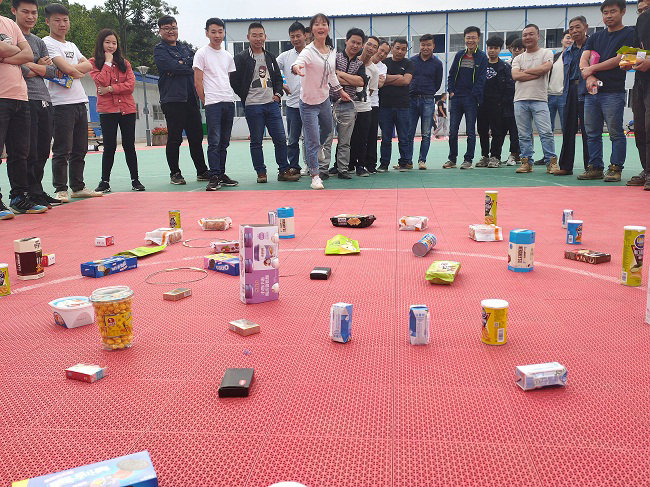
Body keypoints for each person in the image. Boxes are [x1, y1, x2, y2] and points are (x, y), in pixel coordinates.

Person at [43, 3, 102, 201]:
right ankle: (60, 189)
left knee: (80, 148)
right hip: (60, 104)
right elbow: (67, 69)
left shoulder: (72, 45)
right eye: (57, 20)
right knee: (62, 149)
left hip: (80, 102)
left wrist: (73, 69)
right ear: (47, 22)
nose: (62, 24)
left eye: (65, 20)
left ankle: (78, 186)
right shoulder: (47, 43)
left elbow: (88, 65)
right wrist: (75, 69)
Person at [231, 22, 299, 184]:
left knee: (280, 139)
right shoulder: (241, 58)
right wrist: (245, 96)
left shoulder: (270, 56)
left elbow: (277, 78)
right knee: (256, 141)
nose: (258, 38)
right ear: (248, 37)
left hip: (271, 104)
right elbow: (234, 80)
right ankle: (261, 172)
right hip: (252, 105)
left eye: (260, 35)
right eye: (254, 35)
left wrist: (278, 94)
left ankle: (283, 170)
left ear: (265, 37)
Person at [291, 13, 352, 189]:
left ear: (328, 28)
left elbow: (331, 74)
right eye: (317, 24)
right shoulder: (308, 51)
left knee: (327, 130)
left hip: (324, 100)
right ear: (312, 29)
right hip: (307, 103)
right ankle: (315, 176)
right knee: (312, 139)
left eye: (324, 24)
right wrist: (296, 68)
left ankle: (319, 149)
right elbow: (298, 63)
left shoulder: (331, 51)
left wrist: (340, 91)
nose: (321, 27)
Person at [578, 0, 633, 182]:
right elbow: (584, 59)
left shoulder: (630, 34)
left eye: (613, 11)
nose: (609, 15)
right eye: (605, 12)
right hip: (592, 92)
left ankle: (615, 168)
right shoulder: (595, 37)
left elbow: (619, 59)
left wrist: (591, 70)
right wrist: (589, 76)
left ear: (623, 12)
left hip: (613, 92)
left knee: (615, 132)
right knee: (591, 133)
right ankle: (595, 167)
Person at [0, 0, 46, 219]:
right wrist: (15, 52)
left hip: (20, 96)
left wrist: (5, 55)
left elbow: (28, 54)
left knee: (20, 153)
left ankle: (19, 197)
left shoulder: (9, 24)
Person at [11, 0, 59, 209]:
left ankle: (37, 190)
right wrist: (38, 66)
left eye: (34, 12)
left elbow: (52, 72)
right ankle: (25, 193)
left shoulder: (38, 42)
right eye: (25, 12)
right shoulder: (11, 38)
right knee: (27, 150)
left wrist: (33, 66)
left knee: (42, 149)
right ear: (14, 11)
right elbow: (20, 69)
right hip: (24, 98)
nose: (30, 16)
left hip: (44, 99)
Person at [154, 15, 210, 186]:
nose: (171, 31)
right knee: (175, 138)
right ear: (160, 30)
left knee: (196, 137)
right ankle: (175, 173)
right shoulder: (159, 49)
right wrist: (184, 66)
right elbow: (171, 66)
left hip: (191, 98)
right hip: (172, 100)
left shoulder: (185, 48)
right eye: (167, 28)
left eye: (174, 27)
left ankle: (202, 171)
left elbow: (196, 65)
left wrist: (181, 64)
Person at [90, 29, 145, 193]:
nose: (111, 46)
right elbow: (100, 81)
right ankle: (104, 181)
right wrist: (107, 63)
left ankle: (135, 180)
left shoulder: (124, 63)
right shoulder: (93, 62)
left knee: (129, 145)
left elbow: (130, 86)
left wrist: (110, 89)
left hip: (127, 109)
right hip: (107, 110)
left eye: (114, 43)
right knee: (109, 146)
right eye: (107, 42)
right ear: (101, 43)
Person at [193, 17, 237, 191]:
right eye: (213, 32)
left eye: (220, 31)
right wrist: (206, 101)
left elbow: (228, 79)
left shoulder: (227, 55)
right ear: (207, 33)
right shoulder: (201, 53)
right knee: (214, 142)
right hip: (213, 103)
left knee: (224, 142)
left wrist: (229, 97)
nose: (217, 35)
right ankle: (214, 176)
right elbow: (198, 82)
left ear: (224, 33)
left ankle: (221, 174)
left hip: (228, 101)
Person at [319, 28, 366, 179]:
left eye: (358, 43)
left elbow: (361, 82)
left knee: (345, 142)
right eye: (353, 42)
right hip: (329, 104)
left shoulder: (360, 64)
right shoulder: (334, 57)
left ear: (362, 45)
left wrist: (340, 75)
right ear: (346, 41)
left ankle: (343, 169)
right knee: (326, 140)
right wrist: (350, 79)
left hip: (348, 106)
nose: (355, 45)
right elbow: (328, 76)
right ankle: (323, 170)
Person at [511, 24, 557, 174]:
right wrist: (536, 73)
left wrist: (525, 72)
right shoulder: (518, 58)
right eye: (525, 35)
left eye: (531, 34)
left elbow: (545, 68)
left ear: (538, 36)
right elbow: (515, 76)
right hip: (520, 100)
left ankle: (551, 162)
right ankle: (526, 162)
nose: (528, 37)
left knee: (546, 132)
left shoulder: (546, 53)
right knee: (523, 134)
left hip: (540, 99)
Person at [443, 26, 488, 169]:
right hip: (456, 98)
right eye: (468, 37)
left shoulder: (482, 57)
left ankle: (468, 160)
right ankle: (452, 159)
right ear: (464, 39)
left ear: (478, 39)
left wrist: (474, 95)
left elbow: (481, 79)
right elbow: (451, 74)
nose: (470, 40)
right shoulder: (459, 55)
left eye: (473, 37)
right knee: (452, 131)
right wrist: (451, 91)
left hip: (471, 99)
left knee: (470, 132)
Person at [553, 16, 591, 176]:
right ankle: (566, 166)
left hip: (587, 90)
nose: (574, 31)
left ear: (585, 27)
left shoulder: (592, 46)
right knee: (568, 128)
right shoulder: (567, 51)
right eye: (571, 28)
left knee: (588, 130)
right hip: (570, 90)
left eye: (577, 27)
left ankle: (591, 166)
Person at [406, 33, 443, 170]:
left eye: (428, 45)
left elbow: (438, 83)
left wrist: (429, 91)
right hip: (411, 100)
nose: (425, 47)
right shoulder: (411, 61)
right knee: (409, 133)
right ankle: (408, 161)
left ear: (433, 46)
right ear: (419, 45)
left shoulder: (438, 64)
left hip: (428, 100)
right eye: (423, 45)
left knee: (426, 133)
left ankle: (422, 160)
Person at [476, 35, 513, 168]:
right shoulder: (480, 66)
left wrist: (503, 103)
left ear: (500, 49)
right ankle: (485, 156)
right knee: (482, 131)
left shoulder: (505, 67)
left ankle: (495, 157)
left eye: (495, 48)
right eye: (490, 48)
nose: (492, 50)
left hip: (498, 105)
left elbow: (509, 87)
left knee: (497, 132)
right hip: (482, 104)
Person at [378, 38, 413, 172]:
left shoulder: (409, 63)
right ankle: (384, 164)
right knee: (386, 138)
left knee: (403, 137)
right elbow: (379, 80)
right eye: (397, 48)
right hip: (384, 106)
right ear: (392, 48)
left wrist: (387, 79)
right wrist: (398, 77)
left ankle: (404, 163)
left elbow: (405, 81)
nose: (400, 51)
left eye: (403, 49)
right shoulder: (383, 62)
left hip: (403, 106)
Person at [277, 21, 308, 176]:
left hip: (311, 104)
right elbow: (271, 70)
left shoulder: (312, 53)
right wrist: (281, 85)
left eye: (298, 36)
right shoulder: (285, 56)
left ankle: (312, 166)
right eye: (292, 36)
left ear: (305, 36)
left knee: (311, 138)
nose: (295, 39)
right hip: (293, 105)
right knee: (293, 139)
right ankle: (294, 166)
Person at [349, 35, 379, 177]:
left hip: (364, 108)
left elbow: (371, 90)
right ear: (363, 45)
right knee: (346, 139)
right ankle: (343, 165)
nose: (371, 48)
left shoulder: (374, 70)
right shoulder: (352, 62)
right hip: (348, 107)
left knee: (362, 139)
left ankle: (360, 166)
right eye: (369, 44)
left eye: (374, 47)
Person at [628, 0, 650, 189]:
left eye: (647, 9)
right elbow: (637, 50)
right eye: (640, 10)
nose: (643, 13)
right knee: (640, 127)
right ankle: (647, 169)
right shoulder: (641, 22)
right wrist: (628, 61)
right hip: (641, 81)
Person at [365, 38, 390, 173]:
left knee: (371, 135)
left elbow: (379, 84)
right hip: (358, 102)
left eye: (386, 53)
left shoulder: (383, 67)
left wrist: (363, 80)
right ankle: (352, 164)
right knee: (356, 136)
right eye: (381, 50)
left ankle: (371, 164)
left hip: (373, 104)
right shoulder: (360, 61)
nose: (382, 54)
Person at [547, 30, 573, 133]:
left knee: (566, 127)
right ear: (562, 40)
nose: (570, 40)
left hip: (564, 96)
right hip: (550, 96)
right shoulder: (555, 57)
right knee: (548, 129)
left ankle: (566, 145)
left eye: (572, 38)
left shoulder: (575, 57)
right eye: (568, 37)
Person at [503, 36, 523, 165]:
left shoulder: (529, 63)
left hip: (524, 98)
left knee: (523, 131)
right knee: (511, 129)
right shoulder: (506, 64)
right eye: (512, 48)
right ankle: (514, 154)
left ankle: (524, 155)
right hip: (509, 101)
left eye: (519, 48)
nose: (515, 50)